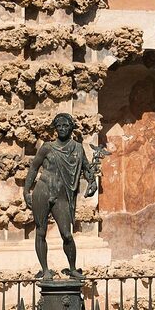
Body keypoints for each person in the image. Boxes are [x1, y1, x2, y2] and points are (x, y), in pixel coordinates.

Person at [24, 113, 97, 280]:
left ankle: (72, 268)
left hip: (62, 196)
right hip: (42, 190)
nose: (62, 129)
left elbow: (86, 168)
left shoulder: (78, 148)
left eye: (65, 126)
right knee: (40, 231)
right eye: (59, 126)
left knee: (67, 234)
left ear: (71, 128)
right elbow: (34, 167)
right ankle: (45, 270)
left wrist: (92, 182)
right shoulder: (47, 147)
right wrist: (26, 191)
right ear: (55, 129)